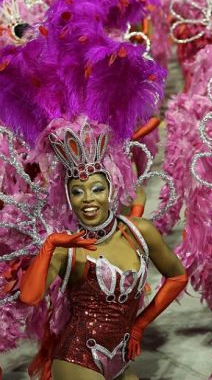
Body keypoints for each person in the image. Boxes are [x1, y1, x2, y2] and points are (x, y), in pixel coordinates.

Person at [19, 124, 187, 380]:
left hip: (119, 359)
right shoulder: (67, 249)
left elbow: (177, 277)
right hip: (77, 360)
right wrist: (49, 246)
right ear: (68, 197)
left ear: (111, 190)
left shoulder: (138, 232)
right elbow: (30, 297)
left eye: (97, 189)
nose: (87, 199)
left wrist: (140, 324)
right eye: (77, 191)